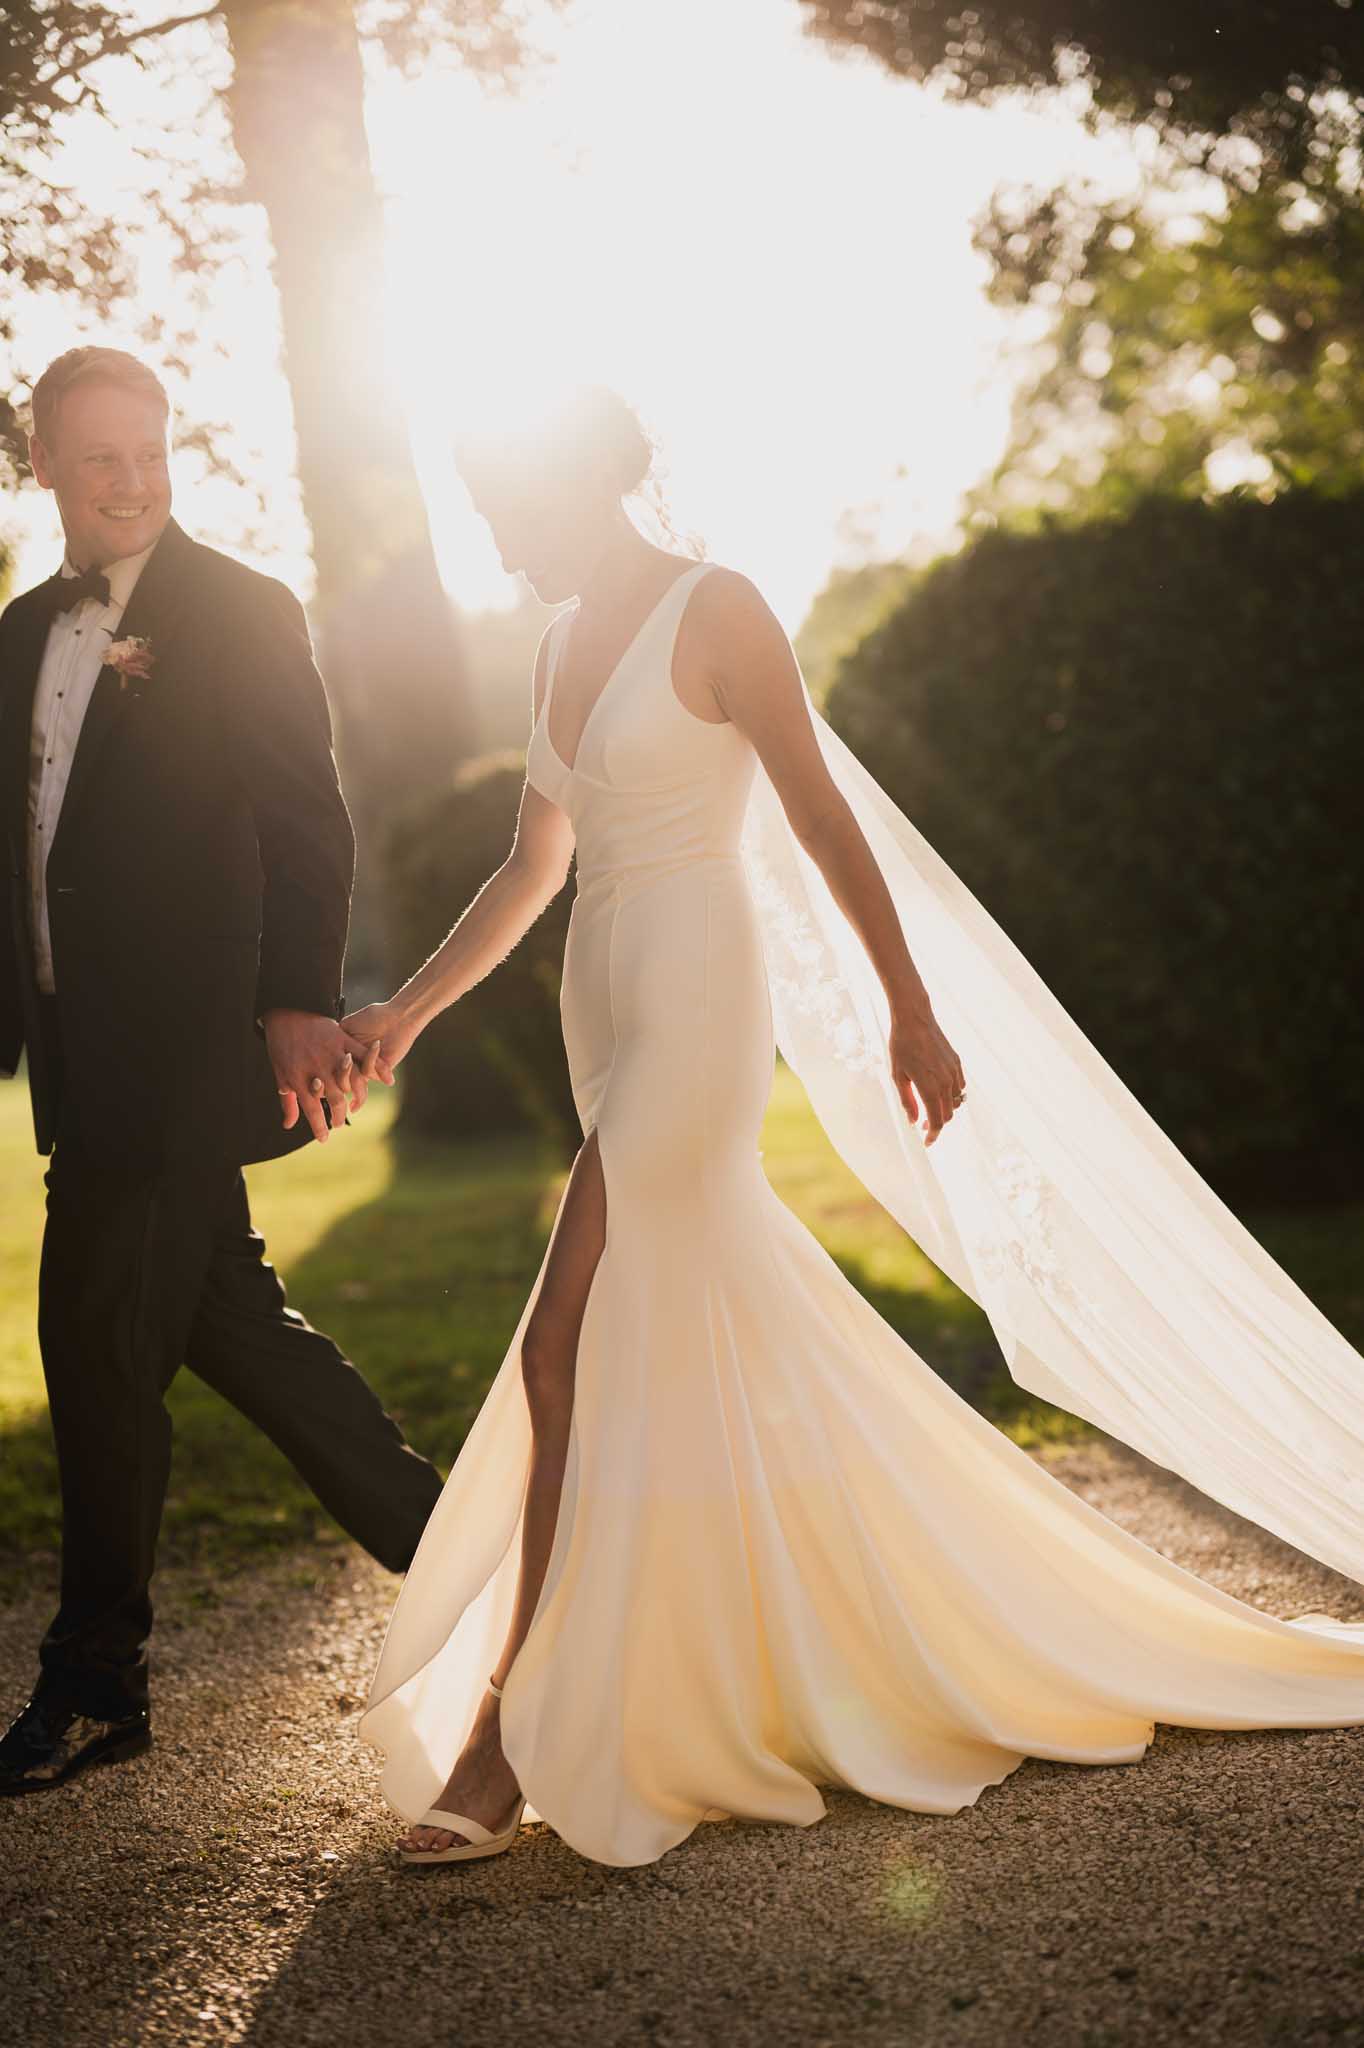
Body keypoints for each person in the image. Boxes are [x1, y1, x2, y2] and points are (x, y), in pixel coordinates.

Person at [351, 385, 1364, 1871]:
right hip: (604, 998)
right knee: (682, 1325)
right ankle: (768, 1646)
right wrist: (403, 1016)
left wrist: (907, 1002)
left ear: (576, 485)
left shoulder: (721, 609)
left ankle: (510, 1728)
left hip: (698, 993)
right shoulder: (563, 641)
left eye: (506, 507)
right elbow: (530, 861)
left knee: (566, 1340)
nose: (497, 542)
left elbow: (820, 815)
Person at [0, 346, 444, 1795]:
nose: (132, 483)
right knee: (230, 1329)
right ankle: (475, 1563)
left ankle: (96, 1674)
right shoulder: (18, 637)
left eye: (150, 451)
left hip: (188, 1045)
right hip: (80, 1054)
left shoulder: (241, 609)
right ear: (45, 466)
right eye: (100, 459)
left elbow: (305, 818)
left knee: (95, 1345)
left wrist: (301, 1002)